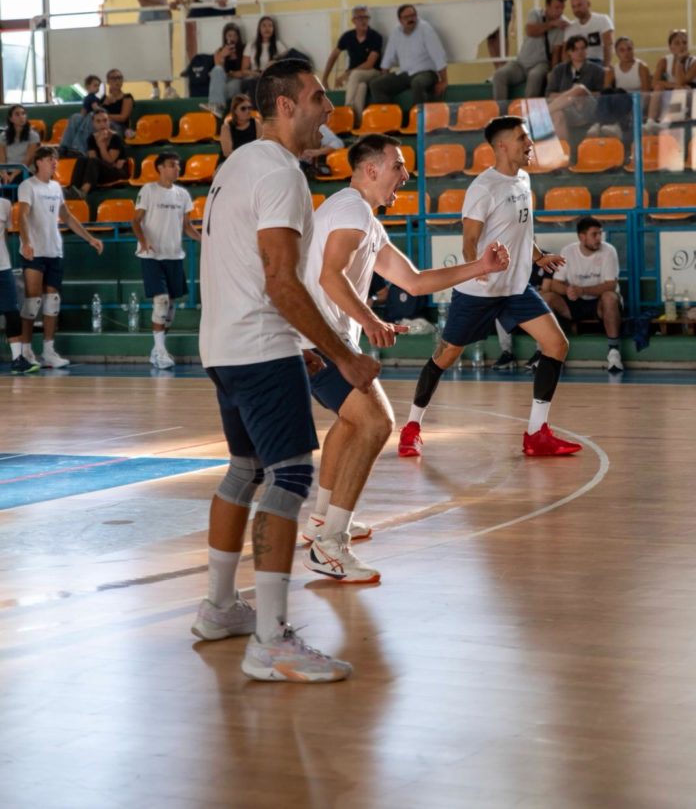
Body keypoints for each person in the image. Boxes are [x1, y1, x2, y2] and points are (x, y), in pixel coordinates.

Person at [194, 58, 379, 683]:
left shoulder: (234, 166)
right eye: (318, 97)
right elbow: (279, 279)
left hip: (222, 344)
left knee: (245, 469)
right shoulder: (279, 173)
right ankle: (270, 638)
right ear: (284, 106)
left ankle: (220, 607)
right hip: (258, 344)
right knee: (291, 475)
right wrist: (342, 354)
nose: (328, 108)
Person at [301, 133, 509, 581]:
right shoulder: (351, 208)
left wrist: (481, 268)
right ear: (371, 169)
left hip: (326, 339)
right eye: (398, 166)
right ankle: (328, 546)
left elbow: (413, 282)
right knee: (377, 422)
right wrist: (371, 319)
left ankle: (322, 521)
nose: (406, 175)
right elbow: (329, 276)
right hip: (317, 341)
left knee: (351, 422)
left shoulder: (365, 220)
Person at [398, 116, 582, 459]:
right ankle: (411, 427)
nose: (528, 143)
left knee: (556, 344)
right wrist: (476, 269)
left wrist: (539, 256)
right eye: (521, 138)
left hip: (515, 289)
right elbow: (469, 240)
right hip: (479, 293)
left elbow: (519, 232)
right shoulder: (484, 188)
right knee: (446, 356)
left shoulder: (524, 179)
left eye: (527, 137)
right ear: (501, 146)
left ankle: (536, 433)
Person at [18, 146, 104, 369]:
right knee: (31, 302)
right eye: (48, 159)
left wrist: (89, 238)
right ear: (38, 163)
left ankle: (48, 350)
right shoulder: (28, 186)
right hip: (34, 251)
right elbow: (23, 215)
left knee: (52, 303)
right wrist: (26, 242)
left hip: (54, 250)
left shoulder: (56, 187)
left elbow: (66, 215)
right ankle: (26, 351)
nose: (53, 162)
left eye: (55, 159)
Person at [132, 151, 201, 369]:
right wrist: (143, 241)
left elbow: (187, 226)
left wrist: (206, 241)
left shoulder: (182, 194)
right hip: (152, 255)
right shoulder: (148, 190)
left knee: (170, 306)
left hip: (174, 255)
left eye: (178, 165)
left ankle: (157, 349)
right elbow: (135, 221)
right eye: (172, 165)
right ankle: (161, 351)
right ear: (160, 167)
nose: (176, 168)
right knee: (160, 301)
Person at [545, 216, 624, 374]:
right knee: (546, 298)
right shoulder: (567, 251)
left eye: (600, 234)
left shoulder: (609, 251)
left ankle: (614, 353)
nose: (599, 239)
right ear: (582, 237)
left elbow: (611, 285)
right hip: (575, 303)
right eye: (594, 234)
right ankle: (551, 352)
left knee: (610, 297)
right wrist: (568, 291)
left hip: (599, 304)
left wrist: (582, 290)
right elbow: (555, 284)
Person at [492, 0, 569, 101]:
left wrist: (552, 73)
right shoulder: (535, 13)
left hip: (541, 63)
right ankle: (501, 112)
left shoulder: (562, 24)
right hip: (521, 63)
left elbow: (556, 52)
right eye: (556, 8)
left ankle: (529, 113)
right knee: (499, 75)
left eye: (562, 8)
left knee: (535, 76)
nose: (560, 12)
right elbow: (530, 31)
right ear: (547, 5)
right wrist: (551, 24)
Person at [369, 5, 448, 108]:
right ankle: (391, 117)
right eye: (406, 17)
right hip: (405, 73)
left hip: (427, 73)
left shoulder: (425, 29)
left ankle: (418, 118)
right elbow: (388, 58)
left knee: (417, 83)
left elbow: (438, 55)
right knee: (376, 85)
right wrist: (386, 76)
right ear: (400, 20)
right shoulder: (396, 31)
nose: (411, 19)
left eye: (413, 15)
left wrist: (444, 81)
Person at [321, 6, 383, 121]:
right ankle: (357, 122)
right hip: (356, 76)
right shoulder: (347, 37)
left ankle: (346, 111)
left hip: (373, 72)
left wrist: (347, 74)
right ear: (353, 21)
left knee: (355, 75)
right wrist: (324, 78)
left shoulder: (375, 37)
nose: (363, 20)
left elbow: (370, 64)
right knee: (361, 87)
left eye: (366, 17)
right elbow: (333, 56)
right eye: (360, 18)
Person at [133, 0, 179, 99]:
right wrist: (164, 5)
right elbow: (142, 1)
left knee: (166, 51)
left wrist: (179, 0)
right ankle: (154, 87)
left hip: (164, 16)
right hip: (147, 16)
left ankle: (168, 86)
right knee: (150, 52)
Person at [0, 195, 40, 374]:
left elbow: (6, 234)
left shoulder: (5, 204)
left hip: (3, 266)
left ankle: (17, 359)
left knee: (12, 311)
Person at [546, 35, 607, 143]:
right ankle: (564, 153)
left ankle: (542, 114)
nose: (580, 52)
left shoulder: (597, 70)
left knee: (580, 88)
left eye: (583, 48)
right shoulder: (559, 70)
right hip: (568, 110)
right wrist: (570, 96)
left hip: (589, 108)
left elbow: (602, 94)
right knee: (557, 114)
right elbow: (550, 95)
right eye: (575, 49)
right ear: (569, 52)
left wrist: (578, 95)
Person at [67, 110, 129, 198]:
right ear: (93, 123)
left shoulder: (116, 138)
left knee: (94, 162)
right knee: (82, 159)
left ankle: (84, 191)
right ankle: (73, 189)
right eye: (98, 121)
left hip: (117, 172)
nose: (102, 124)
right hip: (99, 171)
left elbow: (109, 161)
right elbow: (92, 158)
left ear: (109, 122)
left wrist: (101, 145)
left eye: (105, 120)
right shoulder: (91, 138)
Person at [646, 29, 696, 129]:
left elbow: (681, 81)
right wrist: (672, 85)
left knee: (680, 89)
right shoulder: (664, 61)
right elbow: (654, 83)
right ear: (671, 47)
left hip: (691, 93)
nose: (682, 46)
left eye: (684, 43)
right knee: (658, 87)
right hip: (674, 89)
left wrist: (680, 61)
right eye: (677, 43)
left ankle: (666, 122)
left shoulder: (694, 62)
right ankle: (650, 121)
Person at [204, 23, 249, 117]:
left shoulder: (244, 49)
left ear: (239, 37)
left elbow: (244, 72)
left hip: (238, 80)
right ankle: (217, 106)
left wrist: (232, 74)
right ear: (225, 37)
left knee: (232, 85)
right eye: (229, 35)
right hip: (224, 80)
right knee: (216, 70)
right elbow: (219, 70)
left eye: (235, 35)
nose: (232, 38)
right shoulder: (219, 51)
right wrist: (223, 56)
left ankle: (217, 106)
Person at [59, 77, 103, 159]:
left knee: (87, 118)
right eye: (95, 86)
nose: (97, 88)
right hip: (89, 118)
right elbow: (94, 108)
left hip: (90, 119)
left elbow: (85, 111)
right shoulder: (92, 98)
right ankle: (68, 147)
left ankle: (74, 148)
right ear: (88, 87)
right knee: (77, 117)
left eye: (98, 86)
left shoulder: (91, 98)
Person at [568, 0, 614, 68]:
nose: (576, 9)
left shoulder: (603, 20)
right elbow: (566, 53)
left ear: (588, 4)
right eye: (573, 6)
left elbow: (608, 45)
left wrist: (606, 67)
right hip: (576, 64)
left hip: (597, 62)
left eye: (579, 5)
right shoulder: (570, 27)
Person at [0, 105, 40, 185]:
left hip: (25, 170)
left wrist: (13, 175)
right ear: (11, 119)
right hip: (7, 170)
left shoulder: (33, 135)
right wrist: (4, 174)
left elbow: (27, 160)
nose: (21, 117)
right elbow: (2, 158)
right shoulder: (3, 136)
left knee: (15, 182)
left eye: (23, 114)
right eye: (17, 114)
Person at [219, 95, 261, 159]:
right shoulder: (226, 127)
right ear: (235, 111)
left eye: (249, 108)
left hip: (252, 160)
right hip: (230, 162)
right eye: (243, 108)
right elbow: (227, 153)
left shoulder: (256, 123)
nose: (248, 111)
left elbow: (260, 147)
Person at [101, 68, 135, 139]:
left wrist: (105, 117)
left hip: (120, 127)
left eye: (119, 78)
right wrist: (105, 104)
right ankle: (76, 147)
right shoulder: (104, 99)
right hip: (103, 127)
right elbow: (95, 116)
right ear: (108, 81)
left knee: (108, 124)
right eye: (113, 78)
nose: (117, 81)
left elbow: (123, 117)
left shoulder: (127, 97)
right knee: (76, 117)